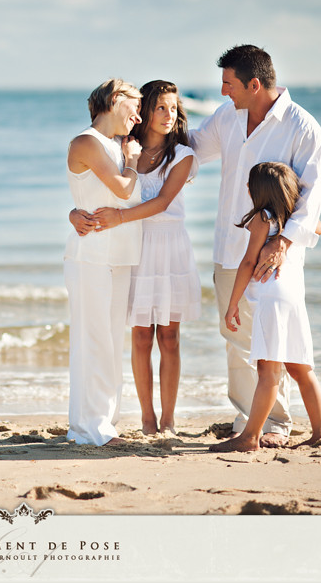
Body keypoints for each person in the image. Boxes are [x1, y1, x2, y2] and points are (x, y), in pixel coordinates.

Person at [190, 45, 321, 447]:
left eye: (228, 83)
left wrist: (282, 243)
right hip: (227, 244)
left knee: (272, 343)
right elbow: (193, 150)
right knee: (235, 337)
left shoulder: (303, 128)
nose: (222, 91)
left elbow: (311, 197)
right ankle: (247, 417)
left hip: (273, 254)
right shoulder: (226, 117)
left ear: (254, 84)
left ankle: (276, 424)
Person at [70, 81, 200, 436]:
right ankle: (147, 419)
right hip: (135, 246)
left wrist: (119, 217)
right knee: (140, 336)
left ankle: (169, 420)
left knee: (169, 336)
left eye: (174, 109)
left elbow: (162, 203)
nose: (168, 115)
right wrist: (74, 212)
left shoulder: (183, 156)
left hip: (169, 247)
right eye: (160, 107)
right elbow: (92, 187)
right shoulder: (122, 148)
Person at [210, 162, 321, 452]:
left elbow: (249, 262)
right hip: (293, 299)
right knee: (301, 369)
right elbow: (318, 227)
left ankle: (250, 437)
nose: (247, 189)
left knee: (268, 371)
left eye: (250, 185)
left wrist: (233, 303)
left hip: (270, 301)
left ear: (258, 191)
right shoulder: (297, 221)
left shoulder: (262, 219)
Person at [64, 78, 144, 446]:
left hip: (119, 255)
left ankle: (99, 425)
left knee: (112, 342)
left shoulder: (114, 146)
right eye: (135, 105)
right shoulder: (87, 142)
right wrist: (131, 162)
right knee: (94, 341)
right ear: (115, 100)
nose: (139, 116)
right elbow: (123, 189)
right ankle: (92, 427)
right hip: (91, 255)